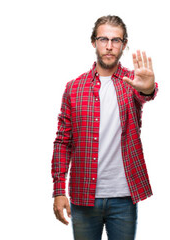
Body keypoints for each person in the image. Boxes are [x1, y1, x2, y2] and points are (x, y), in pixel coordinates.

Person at [51, 15, 157, 240]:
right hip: (83, 196)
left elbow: (146, 93)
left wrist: (148, 89)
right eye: (103, 39)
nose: (109, 46)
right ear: (94, 42)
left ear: (124, 45)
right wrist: (59, 190)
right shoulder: (74, 88)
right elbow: (62, 142)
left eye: (116, 40)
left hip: (124, 196)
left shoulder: (133, 80)